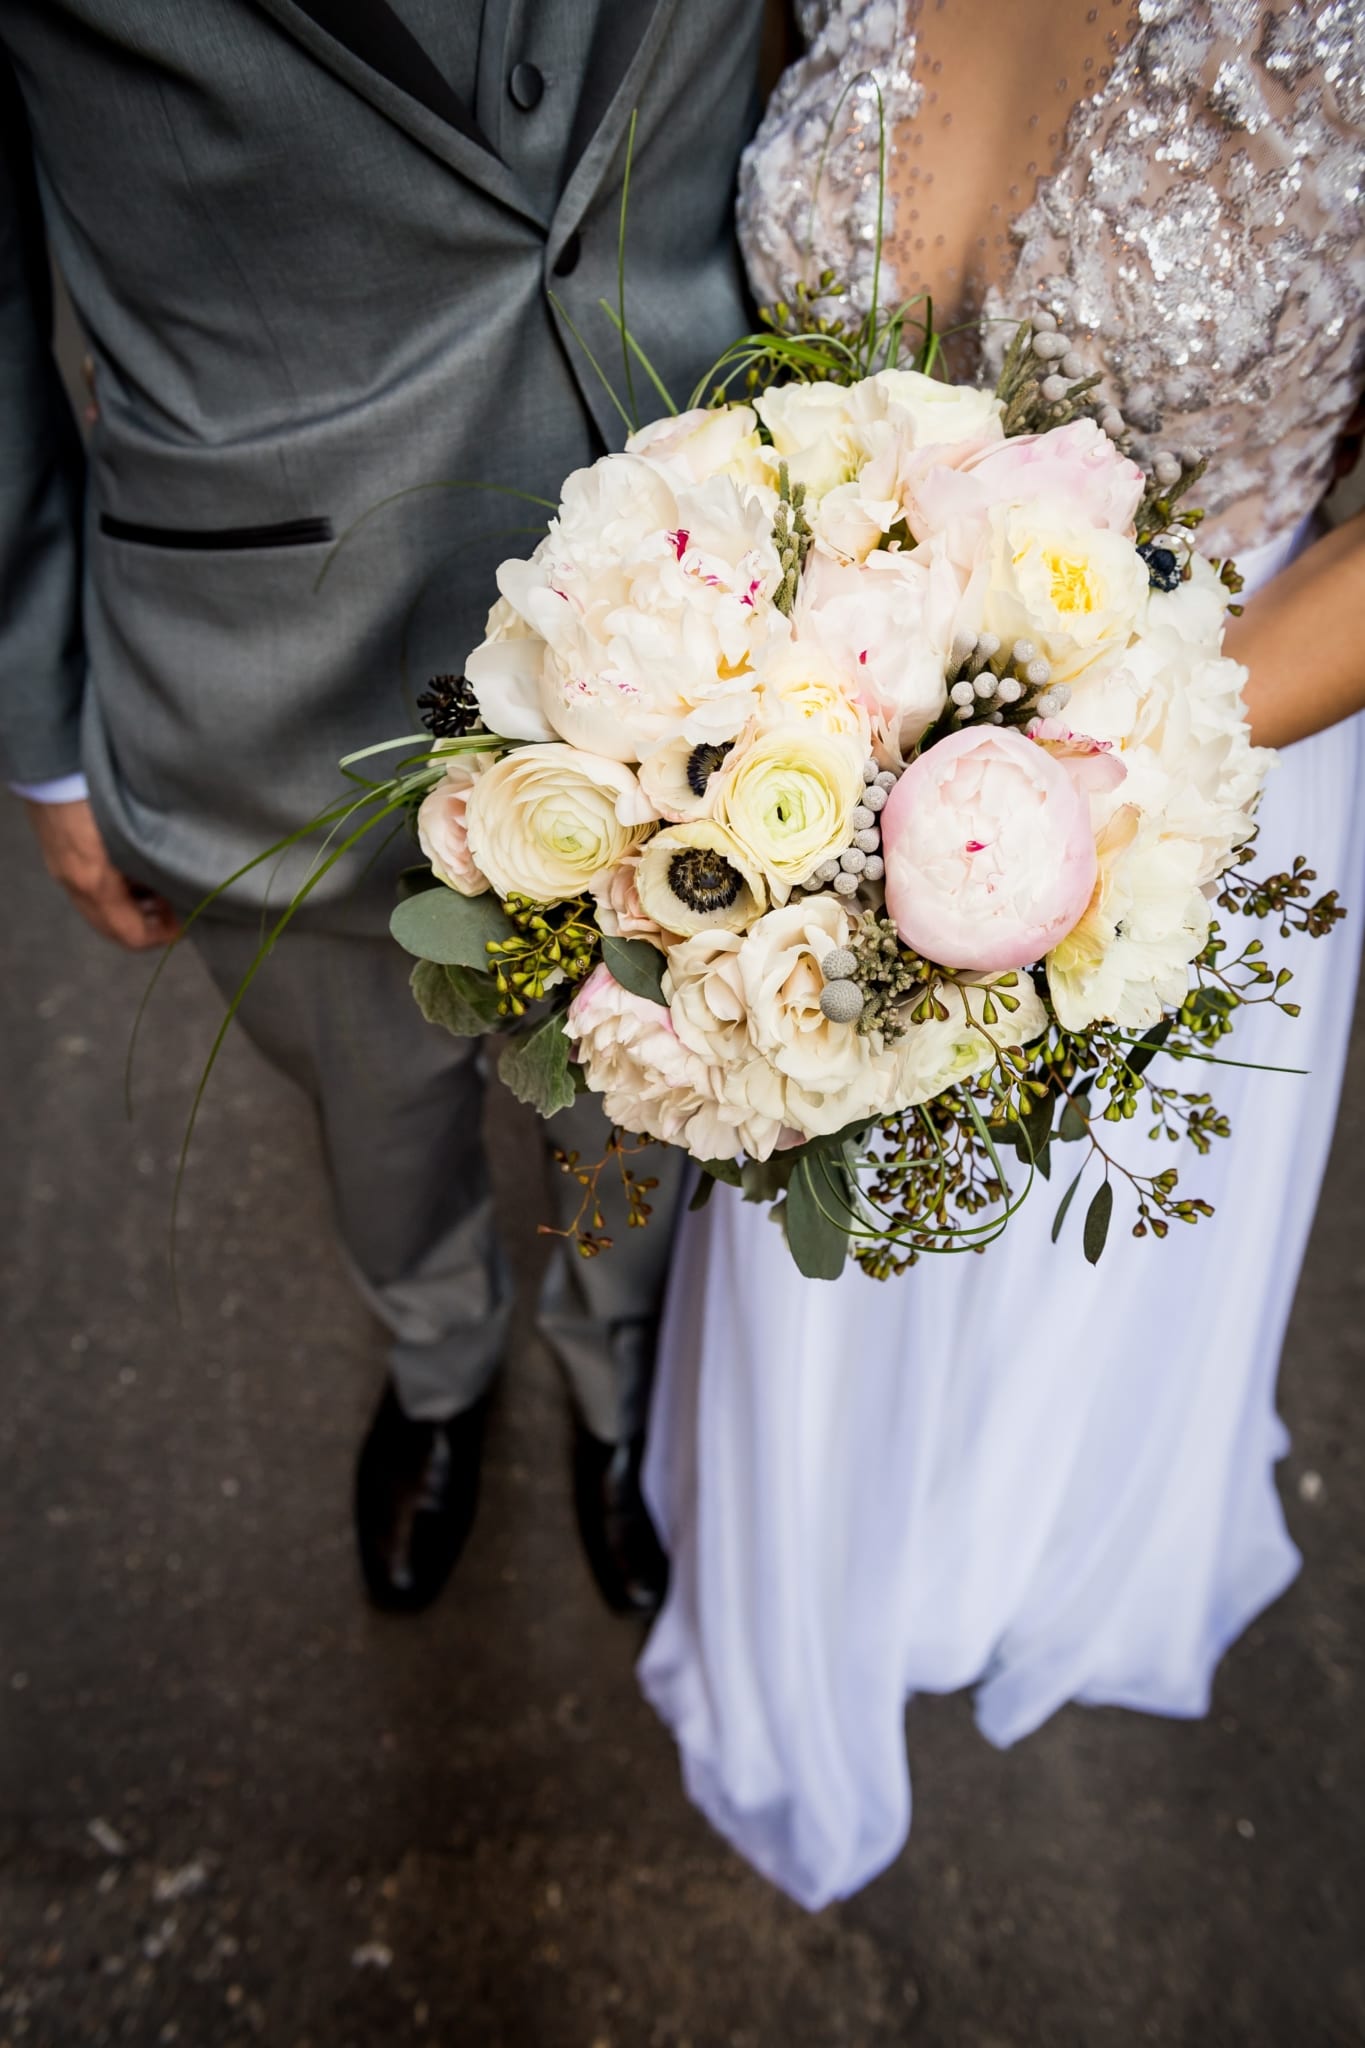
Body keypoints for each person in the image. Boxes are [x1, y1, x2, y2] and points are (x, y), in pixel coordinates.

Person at [639, 0, 1365, 1907]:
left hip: (1195, 767)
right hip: (814, 743)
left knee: (1074, 1254)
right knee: (829, 1238)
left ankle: (1020, 1538)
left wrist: (1062, 787)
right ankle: (815, 1559)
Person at [1, 1, 765, 1617]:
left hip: (728, 666)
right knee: (376, 1127)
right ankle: (436, 1366)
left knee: (663, 1109)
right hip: (269, 680)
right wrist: (38, 734)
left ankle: (623, 1386)